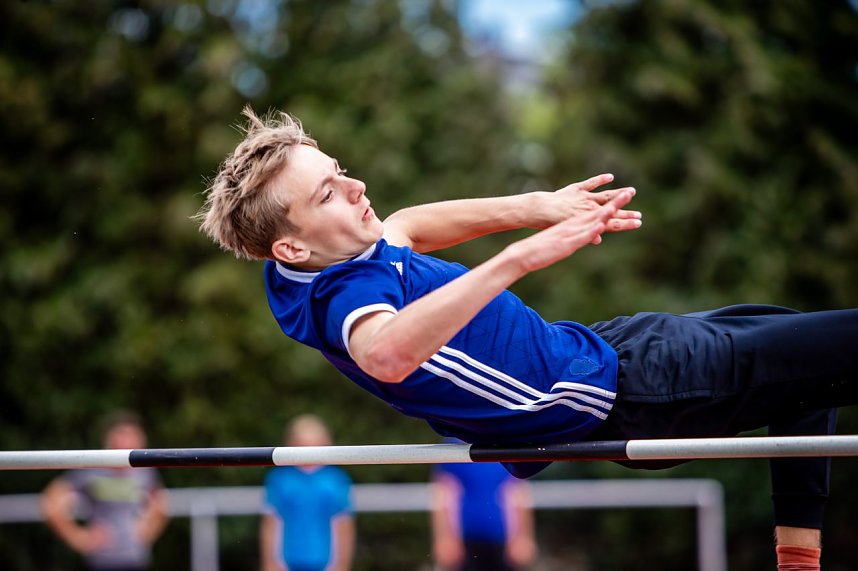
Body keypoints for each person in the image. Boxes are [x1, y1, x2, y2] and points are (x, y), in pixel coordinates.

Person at [196, 107, 858, 571]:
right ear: (290, 242)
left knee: (793, 347)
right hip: (632, 391)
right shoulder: (348, 296)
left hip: (607, 348)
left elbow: (409, 224)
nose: (357, 187)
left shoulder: (321, 259)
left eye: (340, 170)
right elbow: (388, 353)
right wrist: (520, 256)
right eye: (329, 194)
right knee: (832, 349)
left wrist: (536, 203)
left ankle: (797, 558)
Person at [40, 410, 169, 571]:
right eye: (122, 435)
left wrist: (146, 532)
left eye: (133, 435)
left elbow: (162, 506)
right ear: (110, 438)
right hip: (101, 560)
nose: (128, 441)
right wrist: (78, 538)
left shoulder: (145, 472)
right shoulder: (92, 468)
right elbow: (51, 501)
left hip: (135, 558)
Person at [260, 414, 355, 571]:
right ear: (292, 445)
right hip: (287, 562)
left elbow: (343, 524)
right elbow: (271, 523)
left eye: (313, 447)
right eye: (303, 446)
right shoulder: (280, 479)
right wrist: (271, 563)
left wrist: (341, 564)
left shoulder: (335, 479)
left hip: (325, 561)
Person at [431, 439, 537, 571]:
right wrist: (445, 538)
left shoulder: (507, 445)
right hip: (466, 537)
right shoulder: (452, 447)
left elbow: (518, 493)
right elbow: (444, 495)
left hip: (502, 537)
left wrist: (522, 537)